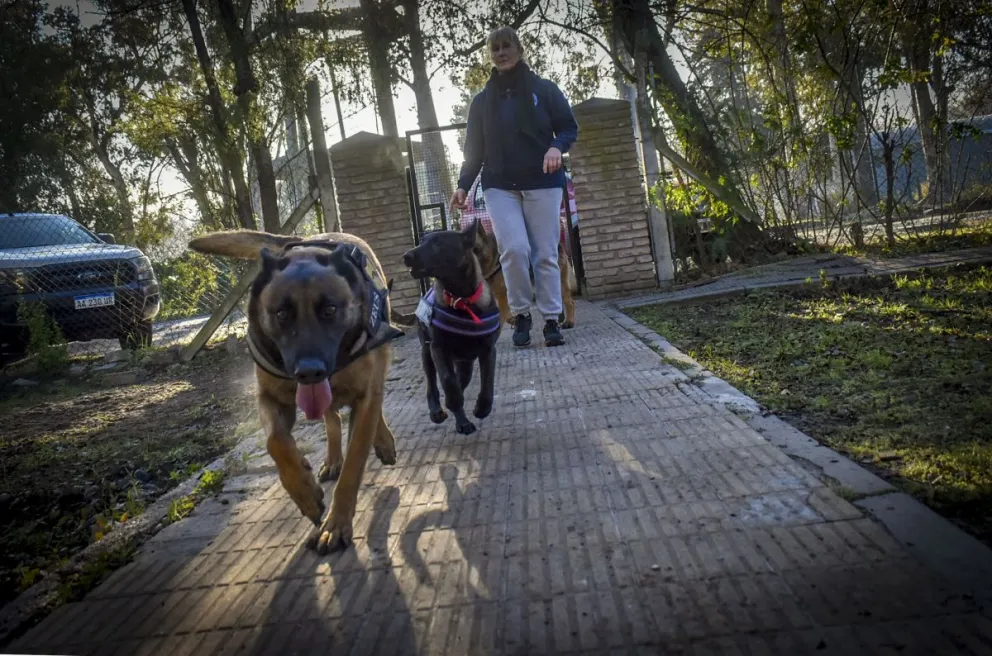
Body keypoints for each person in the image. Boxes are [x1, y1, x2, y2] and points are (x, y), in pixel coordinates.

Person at [450, 26, 579, 348]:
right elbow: (474, 151)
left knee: (546, 253)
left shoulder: (545, 90)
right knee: (515, 250)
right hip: (500, 186)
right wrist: (463, 186)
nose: (501, 52)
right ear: (490, 55)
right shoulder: (481, 103)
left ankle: (551, 319)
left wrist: (555, 148)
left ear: (520, 50)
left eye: (507, 46)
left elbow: (568, 127)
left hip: (543, 182)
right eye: (495, 48)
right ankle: (521, 315)